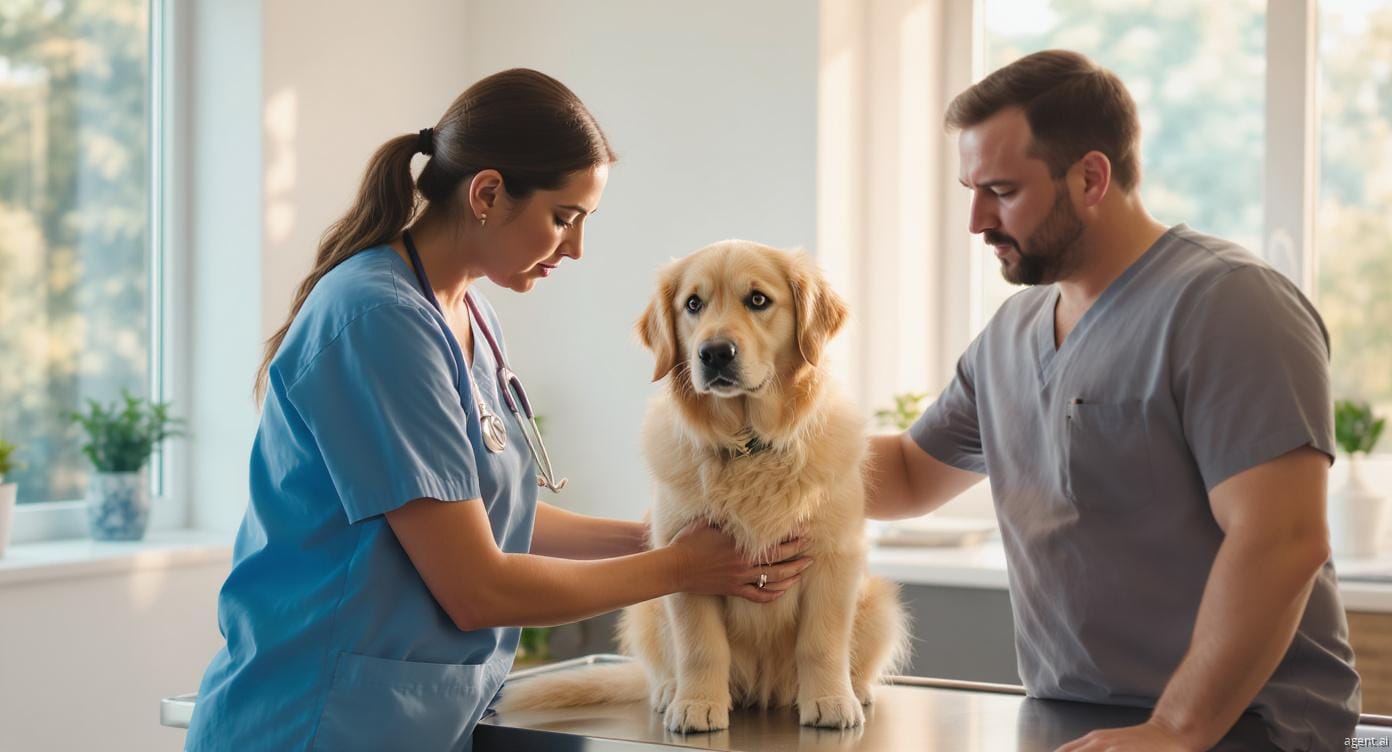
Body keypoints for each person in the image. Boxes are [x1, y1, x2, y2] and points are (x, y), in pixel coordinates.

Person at [184, 68, 811, 752]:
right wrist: (682, 567)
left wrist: (662, 533)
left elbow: (475, 513)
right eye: (563, 218)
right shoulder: (377, 319)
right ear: (487, 194)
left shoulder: (469, 313)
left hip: (412, 719)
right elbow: (477, 585)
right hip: (311, 720)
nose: (574, 248)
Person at [865, 50, 1359, 751]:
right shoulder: (1011, 333)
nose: (976, 220)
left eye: (1001, 190)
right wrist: (743, 460)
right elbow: (910, 476)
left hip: (1243, 731)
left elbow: (1282, 541)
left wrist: (1174, 730)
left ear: (1091, 177)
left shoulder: (1230, 304)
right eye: (970, 190)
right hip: (1074, 724)